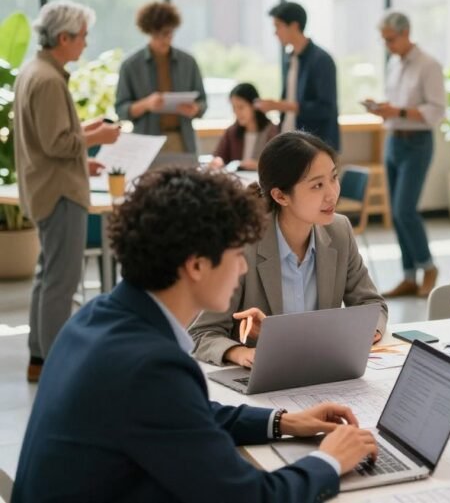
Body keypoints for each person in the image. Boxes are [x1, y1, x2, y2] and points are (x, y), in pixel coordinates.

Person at [13, 167, 378, 502]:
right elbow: (251, 498)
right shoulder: (150, 367)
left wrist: (281, 421)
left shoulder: (97, 316)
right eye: (237, 253)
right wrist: (330, 461)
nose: (241, 267)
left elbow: (185, 413)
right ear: (197, 265)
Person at [191, 132, 387, 367]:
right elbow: (201, 333)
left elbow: (371, 305)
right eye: (317, 185)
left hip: (323, 372)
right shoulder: (242, 243)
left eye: (334, 178)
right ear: (280, 196)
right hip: (259, 380)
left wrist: (369, 330)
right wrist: (239, 352)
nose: (332, 194)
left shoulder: (339, 230)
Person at [13, 0, 121, 381]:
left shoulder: (37, 72)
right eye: (83, 37)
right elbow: (58, 143)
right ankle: (56, 365)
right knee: (61, 282)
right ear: (64, 37)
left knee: (48, 277)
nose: (85, 44)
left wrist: (84, 152)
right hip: (59, 193)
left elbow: (52, 140)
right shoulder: (47, 80)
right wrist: (99, 135)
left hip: (48, 185)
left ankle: (39, 358)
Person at [365, 11, 444, 298]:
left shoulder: (429, 65)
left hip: (417, 142)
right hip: (393, 141)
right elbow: (399, 106)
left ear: (407, 33)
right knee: (396, 215)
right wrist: (381, 108)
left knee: (404, 209)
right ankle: (409, 275)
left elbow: (436, 111)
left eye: (391, 39)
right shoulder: (394, 65)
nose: (387, 45)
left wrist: (395, 111)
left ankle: (428, 267)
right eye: (383, 40)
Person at [115, 0, 207, 154]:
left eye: (169, 33)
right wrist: (146, 104)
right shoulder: (130, 65)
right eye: (160, 34)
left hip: (182, 140)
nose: (165, 39)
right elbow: (121, 110)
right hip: (146, 142)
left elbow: (203, 102)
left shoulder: (188, 62)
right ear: (149, 32)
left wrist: (195, 109)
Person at [256, 1, 340, 151]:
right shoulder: (291, 59)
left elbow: (326, 108)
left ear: (294, 26)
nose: (275, 33)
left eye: (278, 26)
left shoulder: (321, 60)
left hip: (315, 146)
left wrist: (280, 105)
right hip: (293, 141)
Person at [210, 82, 279, 171]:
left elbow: (278, 165)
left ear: (254, 105)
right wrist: (217, 161)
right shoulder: (232, 131)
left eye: (241, 107)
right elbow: (219, 156)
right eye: (234, 108)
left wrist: (259, 165)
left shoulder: (272, 131)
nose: (237, 112)